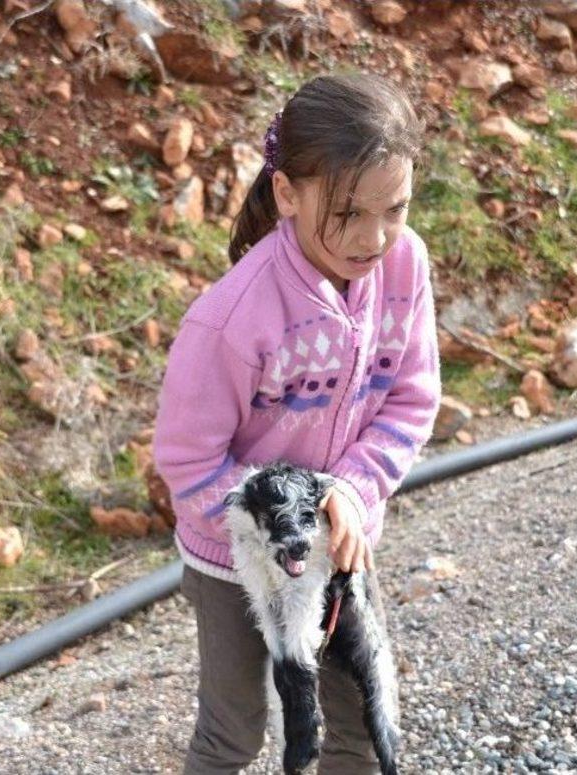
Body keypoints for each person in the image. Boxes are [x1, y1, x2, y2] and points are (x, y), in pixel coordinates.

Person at [154, 72, 442, 775]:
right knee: (235, 734)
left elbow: (411, 399)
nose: (374, 237)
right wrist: (291, 526)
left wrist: (348, 490)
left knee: (363, 726)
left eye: (394, 209)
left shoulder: (405, 266)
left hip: (342, 549)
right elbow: (188, 461)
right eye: (347, 214)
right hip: (235, 566)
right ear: (287, 192)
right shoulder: (232, 317)